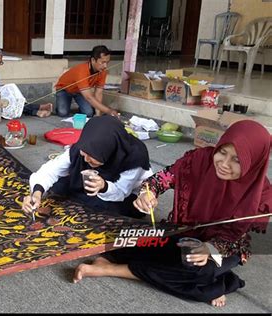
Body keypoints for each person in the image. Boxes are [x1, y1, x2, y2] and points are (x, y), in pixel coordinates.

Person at [73, 120, 271, 307]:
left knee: (197, 270)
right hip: (181, 232)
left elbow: (233, 237)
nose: (224, 163)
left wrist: (209, 249)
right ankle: (213, 285)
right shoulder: (199, 160)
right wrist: (147, 193)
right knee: (122, 237)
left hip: (222, 248)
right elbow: (160, 179)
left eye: (236, 160)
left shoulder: (260, 194)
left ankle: (115, 269)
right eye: (223, 152)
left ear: (253, 161)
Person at [22, 115, 152, 218]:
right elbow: (51, 170)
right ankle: (82, 197)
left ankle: (83, 199)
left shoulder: (134, 156)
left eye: (92, 156)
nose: (85, 159)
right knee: (57, 185)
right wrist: (36, 194)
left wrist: (103, 186)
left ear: (107, 151)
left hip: (125, 194)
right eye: (84, 154)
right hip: (94, 185)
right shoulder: (83, 147)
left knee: (104, 206)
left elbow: (121, 191)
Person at [0, 47, 53, 119]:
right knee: (8, 104)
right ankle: (37, 109)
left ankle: (37, 109)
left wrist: (0, 91)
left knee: (12, 98)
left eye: (0, 62)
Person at [54, 45, 118, 118]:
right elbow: (89, 97)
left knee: (89, 113)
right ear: (93, 60)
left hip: (79, 91)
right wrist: (108, 111)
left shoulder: (102, 71)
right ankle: (61, 104)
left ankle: (80, 107)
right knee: (63, 113)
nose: (105, 66)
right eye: (102, 62)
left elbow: (99, 93)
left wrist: (98, 115)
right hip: (64, 90)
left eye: (107, 62)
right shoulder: (82, 70)